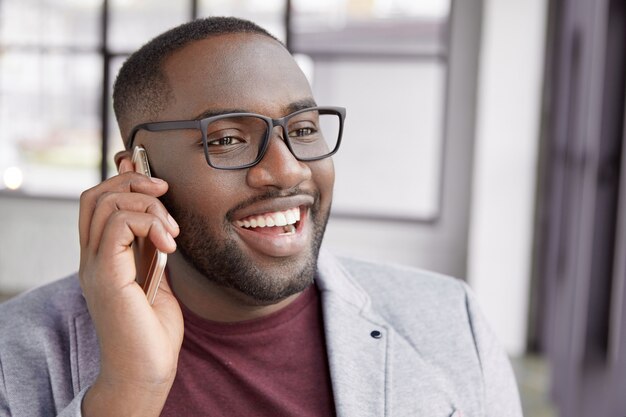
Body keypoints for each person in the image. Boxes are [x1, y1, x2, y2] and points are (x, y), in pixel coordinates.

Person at [0, 16, 522, 417]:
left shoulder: (452, 320)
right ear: (138, 172)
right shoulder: (15, 352)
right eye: (227, 139)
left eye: (304, 129)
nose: (286, 170)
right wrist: (130, 388)